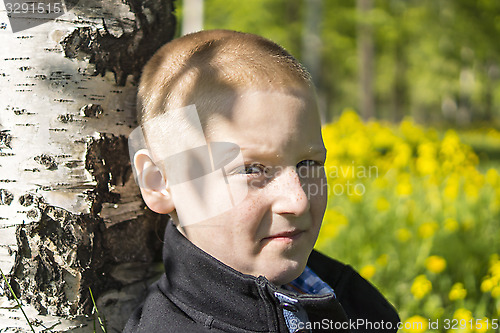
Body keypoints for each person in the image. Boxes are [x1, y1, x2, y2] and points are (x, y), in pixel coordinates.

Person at [124, 29, 399, 333]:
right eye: (252, 169)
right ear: (160, 181)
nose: (299, 200)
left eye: (308, 163)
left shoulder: (347, 296)